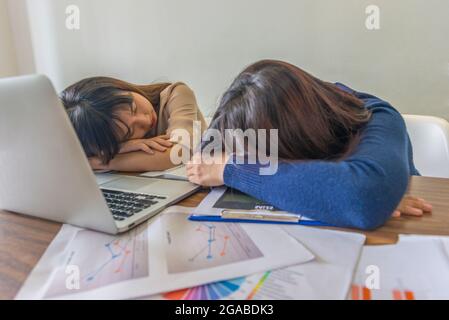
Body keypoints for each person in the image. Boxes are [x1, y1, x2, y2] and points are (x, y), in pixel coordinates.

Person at [186, 60, 431, 229]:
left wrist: (232, 169)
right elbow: (203, 158)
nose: (253, 161)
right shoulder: (255, 106)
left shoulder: (379, 117)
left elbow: (363, 198)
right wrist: (325, 189)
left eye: (264, 159)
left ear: (301, 138)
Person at [61, 77, 207, 172]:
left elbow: (179, 153)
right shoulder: (107, 141)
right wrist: (119, 148)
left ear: (121, 87)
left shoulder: (177, 93)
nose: (144, 120)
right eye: (129, 132)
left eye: (133, 108)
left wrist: (104, 162)